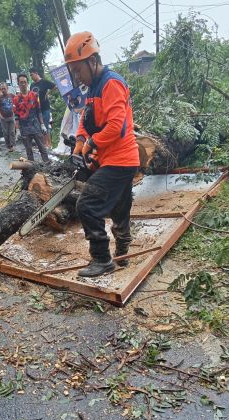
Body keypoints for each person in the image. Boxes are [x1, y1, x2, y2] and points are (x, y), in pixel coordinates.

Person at [64, 32, 139, 278]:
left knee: (87, 205)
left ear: (92, 60)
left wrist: (93, 142)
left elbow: (117, 126)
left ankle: (101, 258)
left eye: (78, 70)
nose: (77, 76)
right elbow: (86, 119)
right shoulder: (93, 88)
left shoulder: (111, 83)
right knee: (118, 205)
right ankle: (123, 246)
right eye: (73, 71)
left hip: (121, 159)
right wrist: (80, 141)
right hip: (111, 160)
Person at [13, 74, 49, 162]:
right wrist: (17, 130)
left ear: (27, 83)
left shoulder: (34, 95)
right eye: (21, 82)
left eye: (25, 82)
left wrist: (42, 124)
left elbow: (39, 111)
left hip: (35, 126)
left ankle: (48, 166)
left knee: (42, 149)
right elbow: (16, 116)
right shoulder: (16, 99)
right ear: (18, 84)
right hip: (24, 128)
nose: (23, 84)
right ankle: (32, 170)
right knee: (29, 152)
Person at [30, 68, 56, 148]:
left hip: (45, 108)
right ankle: (44, 144)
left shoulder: (44, 82)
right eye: (30, 75)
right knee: (40, 127)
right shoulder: (32, 85)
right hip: (36, 110)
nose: (31, 77)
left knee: (45, 126)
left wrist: (48, 92)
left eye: (32, 75)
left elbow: (55, 86)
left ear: (36, 73)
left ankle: (48, 145)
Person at [0, 82, 15, 152]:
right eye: (2, 89)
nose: (3, 90)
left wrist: (15, 111)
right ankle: (8, 146)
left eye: (4, 88)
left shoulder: (12, 95)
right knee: (5, 133)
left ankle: (12, 145)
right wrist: (0, 116)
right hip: (3, 118)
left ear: (7, 88)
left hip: (11, 117)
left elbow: (17, 103)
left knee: (12, 132)